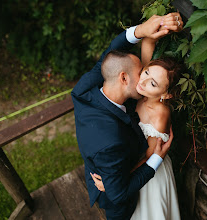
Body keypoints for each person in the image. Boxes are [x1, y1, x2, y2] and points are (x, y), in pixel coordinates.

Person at [71, 13, 183, 220]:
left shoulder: (83, 92)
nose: (143, 78)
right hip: (118, 188)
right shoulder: (110, 139)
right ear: (123, 78)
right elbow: (119, 193)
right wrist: (114, 180)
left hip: (134, 172)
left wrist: (148, 28)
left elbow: (113, 56)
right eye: (143, 72)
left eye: (148, 76)